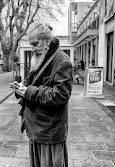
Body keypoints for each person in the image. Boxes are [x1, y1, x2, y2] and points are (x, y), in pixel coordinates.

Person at [10, 22, 73, 167]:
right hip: (37, 127)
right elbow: (31, 82)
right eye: (31, 44)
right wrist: (21, 88)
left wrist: (28, 91)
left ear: (47, 41)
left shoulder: (62, 61)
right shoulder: (42, 56)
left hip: (50, 130)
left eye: (35, 43)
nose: (33, 48)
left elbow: (61, 94)